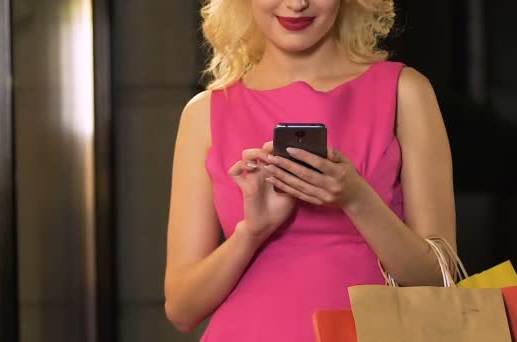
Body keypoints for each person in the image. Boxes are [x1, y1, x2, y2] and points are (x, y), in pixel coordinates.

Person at [164, 0, 456, 340]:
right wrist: (252, 232)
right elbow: (182, 310)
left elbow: (441, 278)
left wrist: (357, 199)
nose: (297, 3)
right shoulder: (205, 113)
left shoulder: (405, 91)